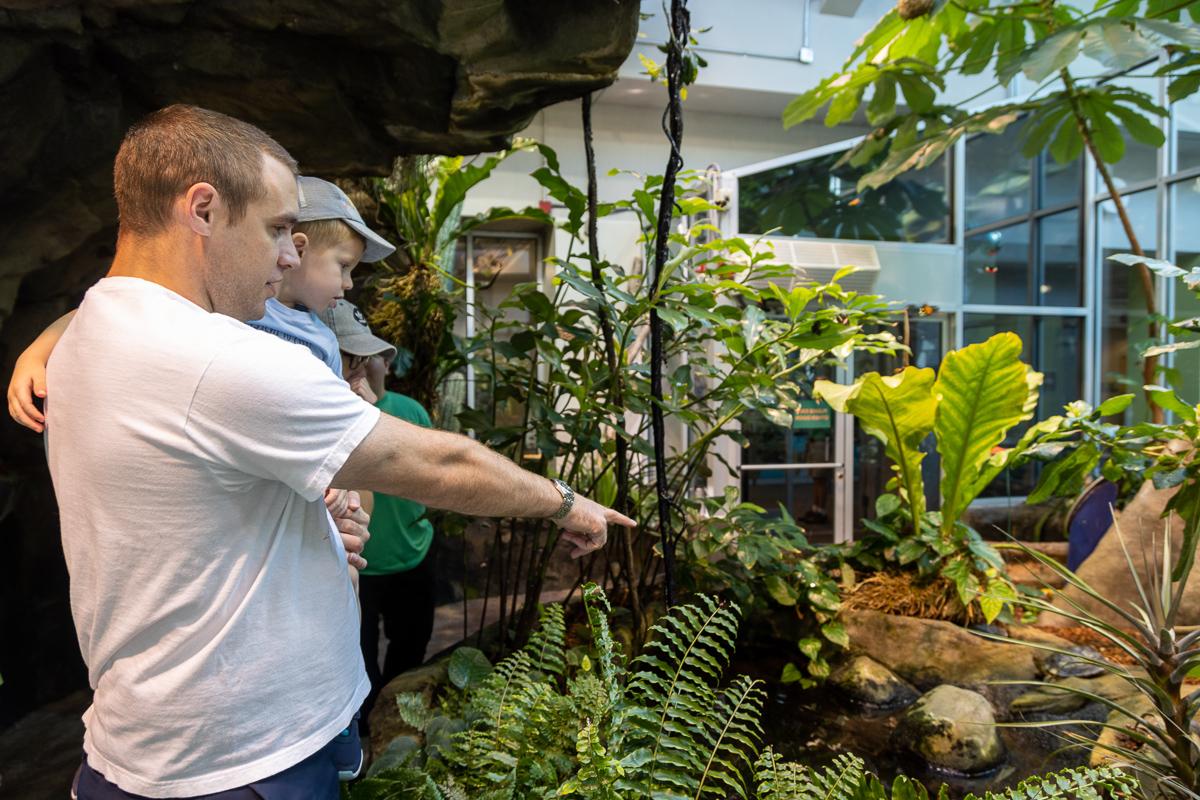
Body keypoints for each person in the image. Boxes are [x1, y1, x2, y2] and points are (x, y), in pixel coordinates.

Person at [7, 104, 631, 800]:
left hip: (145, 744)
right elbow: (435, 466)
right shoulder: (218, 359)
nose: (287, 252)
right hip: (241, 766)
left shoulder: (94, 327)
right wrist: (564, 502)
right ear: (204, 210)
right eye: (276, 228)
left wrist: (310, 520)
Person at [319, 300, 437, 738]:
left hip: (412, 554)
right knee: (359, 652)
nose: (367, 369)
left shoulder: (409, 411)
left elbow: (428, 471)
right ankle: (366, 729)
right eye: (356, 361)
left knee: (411, 644)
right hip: (361, 563)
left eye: (374, 359)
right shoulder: (323, 411)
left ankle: (395, 719)